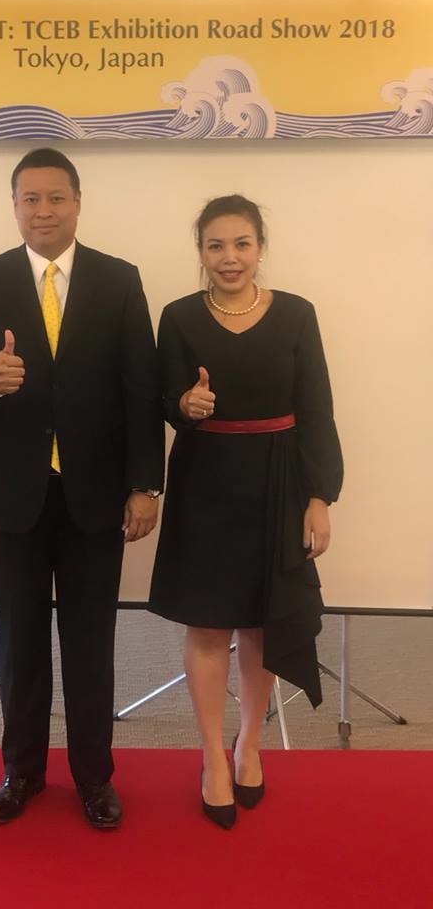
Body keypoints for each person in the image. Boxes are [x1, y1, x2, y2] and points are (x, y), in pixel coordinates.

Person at [0, 148, 164, 829]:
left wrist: (146, 485)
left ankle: (95, 778)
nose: (43, 211)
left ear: (77, 202)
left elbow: (141, 387)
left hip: (96, 495)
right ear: (14, 206)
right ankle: (22, 773)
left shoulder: (118, 279)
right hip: (14, 493)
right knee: (19, 641)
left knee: (90, 642)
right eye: (30, 199)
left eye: (55, 198)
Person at [149, 195, 343, 829]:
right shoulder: (178, 316)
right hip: (205, 482)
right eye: (215, 245)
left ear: (259, 247)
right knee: (208, 627)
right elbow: (163, 401)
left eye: (241, 244)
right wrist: (186, 405)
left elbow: (316, 408)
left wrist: (319, 497)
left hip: (278, 483)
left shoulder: (296, 314)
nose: (229, 257)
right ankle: (212, 756)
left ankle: (249, 744)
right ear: (200, 252)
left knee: (262, 625)